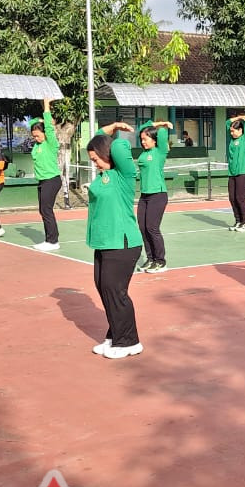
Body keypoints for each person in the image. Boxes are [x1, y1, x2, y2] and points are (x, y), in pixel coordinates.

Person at [85, 121, 145, 359]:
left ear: (107, 154)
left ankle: (130, 341)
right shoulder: (104, 175)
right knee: (104, 289)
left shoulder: (123, 176)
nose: (95, 163)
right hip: (104, 242)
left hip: (122, 242)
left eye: (97, 159)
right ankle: (115, 336)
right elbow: (98, 138)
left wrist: (118, 130)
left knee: (116, 291)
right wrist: (108, 127)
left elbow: (118, 146)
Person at [136, 119, 174, 273]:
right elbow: (142, 128)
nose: (143, 142)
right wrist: (153, 124)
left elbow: (163, 133)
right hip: (144, 195)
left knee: (152, 228)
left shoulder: (160, 151)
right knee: (143, 228)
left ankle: (161, 261)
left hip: (157, 194)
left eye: (146, 139)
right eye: (142, 139)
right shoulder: (144, 153)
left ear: (154, 139)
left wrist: (161, 125)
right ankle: (150, 258)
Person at [29, 98, 61, 251]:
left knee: (46, 209)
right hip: (42, 181)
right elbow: (36, 124)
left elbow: (48, 127)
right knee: (43, 210)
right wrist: (37, 121)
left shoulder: (51, 143)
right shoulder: (37, 145)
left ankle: (53, 241)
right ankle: (49, 239)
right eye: (34, 136)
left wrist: (46, 106)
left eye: (38, 135)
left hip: (52, 179)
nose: (36, 138)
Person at [226, 113, 245, 232]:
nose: (232, 133)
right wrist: (238, 118)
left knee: (240, 198)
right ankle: (238, 221)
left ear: (241, 130)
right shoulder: (231, 140)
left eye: (234, 131)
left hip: (243, 173)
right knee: (232, 198)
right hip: (232, 174)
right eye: (231, 131)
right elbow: (228, 122)